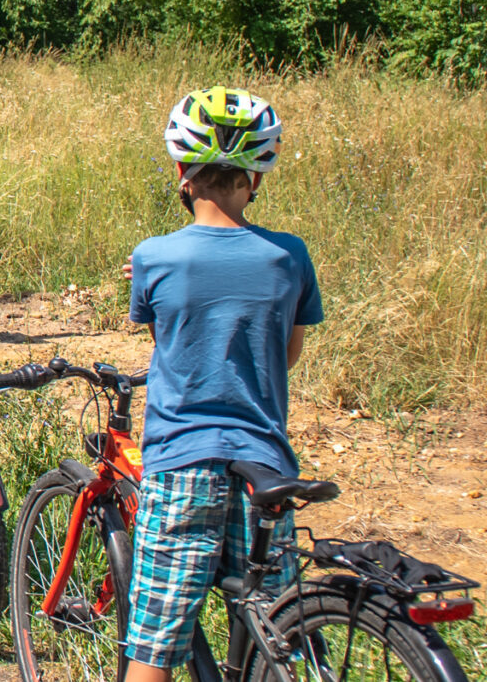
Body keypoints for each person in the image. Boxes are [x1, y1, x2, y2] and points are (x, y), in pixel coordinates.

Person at [122, 89, 321, 682]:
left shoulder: (155, 257)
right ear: (256, 178)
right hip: (265, 464)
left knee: (156, 642)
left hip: (183, 461)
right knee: (279, 632)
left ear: (182, 173)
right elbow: (286, 352)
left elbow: (169, 343)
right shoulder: (289, 256)